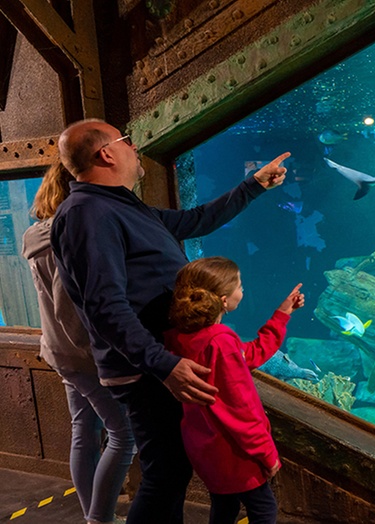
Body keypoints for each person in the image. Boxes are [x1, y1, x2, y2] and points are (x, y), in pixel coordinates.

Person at [50, 118, 290, 524]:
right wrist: (165, 365)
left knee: (171, 473)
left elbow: (197, 220)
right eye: (126, 141)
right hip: (148, 369)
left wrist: (253, 185)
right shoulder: (87, 213)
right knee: (164, 476)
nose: (134, 147)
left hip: (160, 362)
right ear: (106, 153)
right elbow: (104, 305)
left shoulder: (121, 205)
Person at [21, 162, 136, 524]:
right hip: (85, 354)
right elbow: (69, 306)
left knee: (85, 429)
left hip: (58, 351)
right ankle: (100, 518)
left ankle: (92, 514)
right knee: (124, 435)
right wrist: (105, 353)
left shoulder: (33, 235)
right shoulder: (71, 234)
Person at [165, 257, 304, 524]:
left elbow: (249, 354)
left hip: (204, 449)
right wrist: (268, 454)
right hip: (235, 453)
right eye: (240, 286)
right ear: (224, 300)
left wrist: (282, 315)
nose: (244, 290)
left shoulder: (181, 337)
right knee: (264, 509)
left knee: (224, 505)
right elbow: (242, 410)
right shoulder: (221, 342)